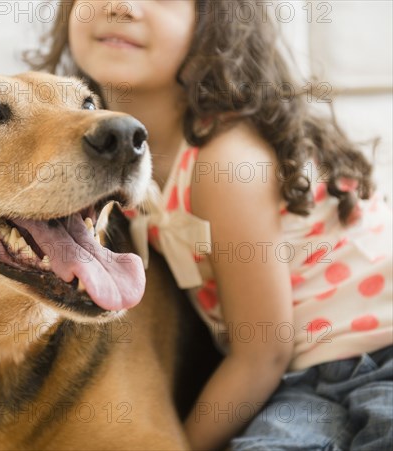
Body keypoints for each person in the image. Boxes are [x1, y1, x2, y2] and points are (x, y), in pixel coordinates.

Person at [28, 1, 393, 449]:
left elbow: (261, 353)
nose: (121, 6)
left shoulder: (226, 161)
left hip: (376, 354)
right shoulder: (104, 158)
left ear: (212, 27)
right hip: (298, 382)